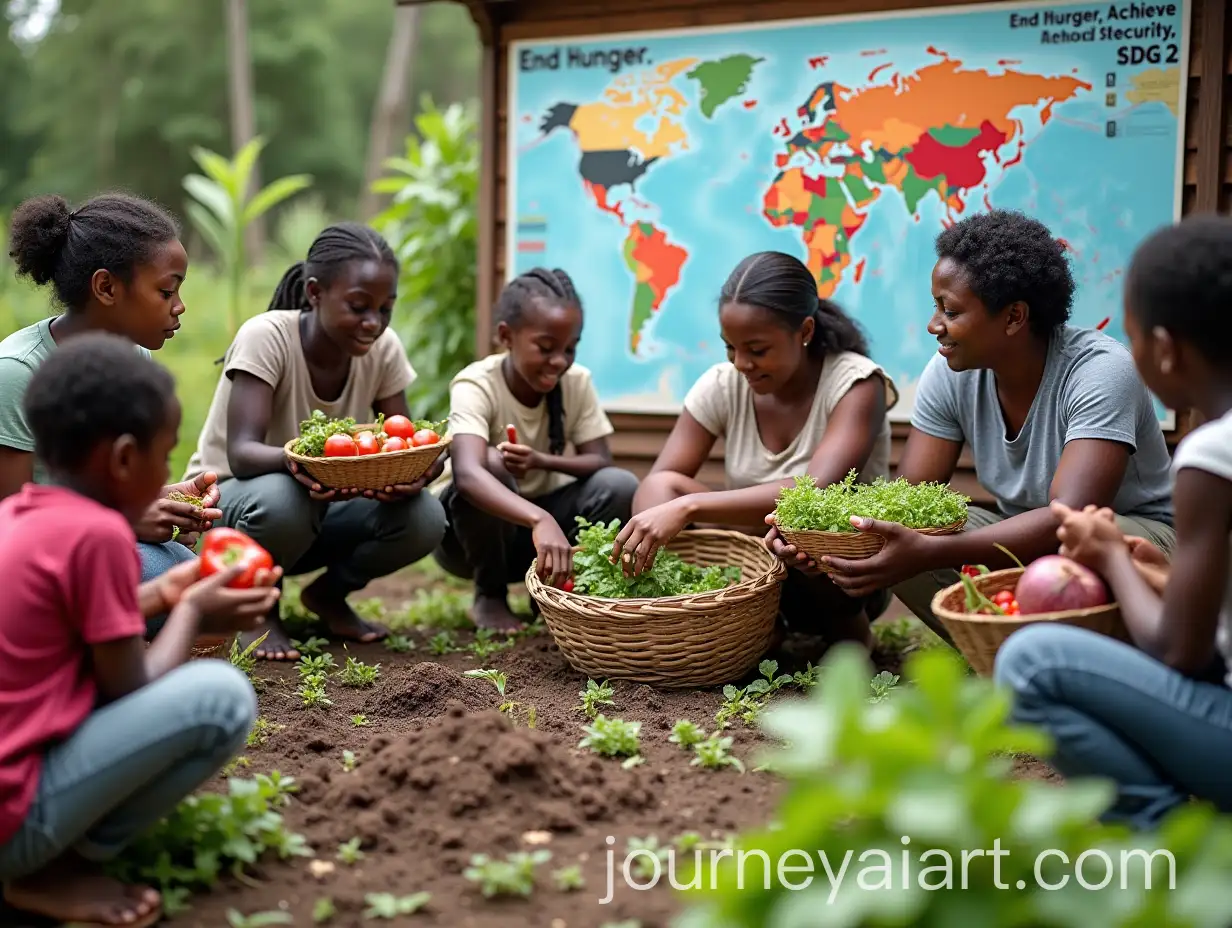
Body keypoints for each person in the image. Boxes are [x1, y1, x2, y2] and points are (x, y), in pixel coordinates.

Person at [0, 333, 279, 926]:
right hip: (11, 826)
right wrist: (193, 611)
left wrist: (165, 592)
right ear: (125, 459)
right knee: (221, 698)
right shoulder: (97, 537)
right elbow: (132, 685)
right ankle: (53, 866)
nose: (167, 474)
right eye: (163, 455)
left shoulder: (24, 514)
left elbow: (78, 625)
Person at [800, 209, 1176, 642]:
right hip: (1027, 542)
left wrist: (931, 553)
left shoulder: (1100, 371)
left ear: (1014, 317)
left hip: (1129, 539)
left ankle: (1081, 661)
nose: (933, 325)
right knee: (904, 538)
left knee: (1075, 548)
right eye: (935, 305)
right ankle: (1005, 656)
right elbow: (907, 499)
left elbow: (1069, 518)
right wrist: (819, 538)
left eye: (950, 310)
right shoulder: (950, 371)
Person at [995, 214, 1232, 830]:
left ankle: (1162, 842)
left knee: (1030, 660)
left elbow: (1182, 651)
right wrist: (1156, 580)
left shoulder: (1213, 454)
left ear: (1166, 348)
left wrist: (1113, 561)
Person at [184, 222, 447, 661]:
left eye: (386, 309)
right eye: (359, 306)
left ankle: (327, 595)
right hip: (229, 508)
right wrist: (316, 462)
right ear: (314, 293)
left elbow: (400, 442)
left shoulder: (383, 350)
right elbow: (243, 454)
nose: (373, 323)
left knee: (424, 516)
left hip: (313, 509)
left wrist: (419, 471)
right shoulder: (267, 336)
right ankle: (256, 610)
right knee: (286, 496)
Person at [615, 251, 898, 646]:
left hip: (838, 573)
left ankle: (849, 635)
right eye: (730, 347)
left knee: (803, 525)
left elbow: (814, 490)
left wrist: (690, 506)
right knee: (657, 489)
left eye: (757, 349)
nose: (741, 363)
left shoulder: (856, 384)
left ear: (805, 331)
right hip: (750, 562)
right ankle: (728, 620)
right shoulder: (724, 384)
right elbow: (661, 485)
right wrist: (672, 506)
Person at [0, 193, 222, 630]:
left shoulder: (133, 359)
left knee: (200, 579)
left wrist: (170, 500)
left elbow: (104, 485)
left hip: (88, 539)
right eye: (166, 290)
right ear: (106, 288)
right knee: (189, 591)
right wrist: (124, 521)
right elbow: (10, 519)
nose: (179, 307)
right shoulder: (17, 373)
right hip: (27, 562)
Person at [432, 268, 638, 631]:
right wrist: (539, 519)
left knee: (618, 484)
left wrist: (541, 460)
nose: (559, 360)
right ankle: (490, 595)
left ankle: (551, 590)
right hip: (468, 538)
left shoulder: (575, 382)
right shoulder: (476, 384)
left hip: (546, 539)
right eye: (546, 348)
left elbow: (600, 460)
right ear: (505, 336)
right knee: (491, 464)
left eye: (570, 348)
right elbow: (466, 474)